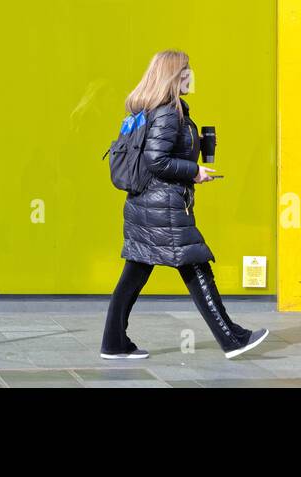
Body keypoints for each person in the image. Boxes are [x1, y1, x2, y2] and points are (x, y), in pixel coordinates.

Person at [101, 50, 267, 360]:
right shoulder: (167, 112)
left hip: (146, 205)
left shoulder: (152, 109)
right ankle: (232, 339)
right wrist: (195, 171)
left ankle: (113, 343)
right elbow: (156, 159)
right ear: (175, 76)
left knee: (135, 272)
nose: (192, 76)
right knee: (197, 267)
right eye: (187, 70)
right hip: (163, 207)